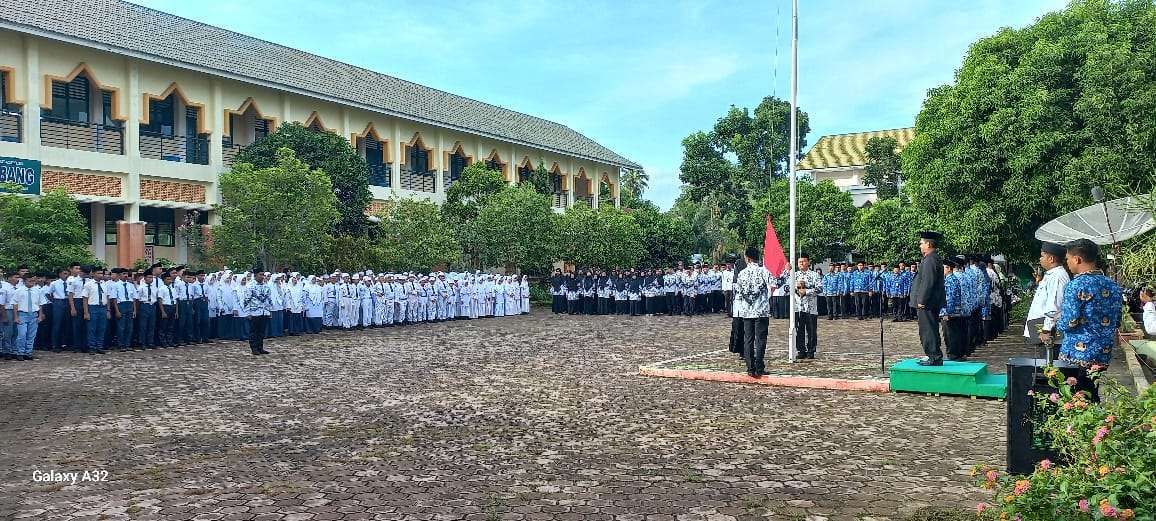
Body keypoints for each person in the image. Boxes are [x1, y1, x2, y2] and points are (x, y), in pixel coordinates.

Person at [1052, 239, 1122, 368]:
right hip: (1102, 353)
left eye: (1068, 259)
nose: (1067, 263)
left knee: (1073, 387)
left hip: (1076, 353)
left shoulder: (1076, 285)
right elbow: (1117, 320)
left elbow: (1070, 321)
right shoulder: (1113, 285)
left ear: (1077, 259)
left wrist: (1057, 320)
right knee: (1092, 387)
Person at [1025, 242, 1070, 360]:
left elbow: (1054, 306)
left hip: (1049, 333)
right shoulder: (1051, 274)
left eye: (1042, 256)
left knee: (1050, 368)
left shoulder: (1057, 276)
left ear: (1051, 258)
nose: (1040, 259)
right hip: (1040, 328)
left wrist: (1046, 329)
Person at [910, 231, 946, 366]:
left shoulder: (931, 259)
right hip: (929, 301)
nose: (920, 246)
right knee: (929, 328)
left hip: (927, 302)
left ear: (929, 244)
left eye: (921, 243)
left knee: (928, 329)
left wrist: (922, 300)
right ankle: (933, 355)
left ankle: (934, 356)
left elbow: (928, 281)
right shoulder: (930, 258)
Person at [734, 247, 771, 378]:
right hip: (761, 311)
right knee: (760, 340)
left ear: (747, 258)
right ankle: (759, 367)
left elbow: (738, 292)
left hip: (746, 311)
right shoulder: (763, 271)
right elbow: (775, 283)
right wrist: (785, 272)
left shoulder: (742, 273)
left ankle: (750, 368)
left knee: (748, 339)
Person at [791, 254, 822, 359]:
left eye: (803, 261)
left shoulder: (814, 275)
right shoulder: (794, 275)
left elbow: (820, 289)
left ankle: (811, 350)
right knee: (799, 330)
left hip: (810, 307)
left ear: (808, 262)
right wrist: (796, 287)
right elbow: (787, 288)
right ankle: (801, 350)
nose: (801, 264)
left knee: (811, 330)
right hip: (797, 306)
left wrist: (807, 291)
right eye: (799, 262)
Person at [12, 274, 47, 360]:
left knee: (31, 335)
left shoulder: (37, 290)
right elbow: (15, 304)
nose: (32, 282)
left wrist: (40, 315)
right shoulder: (19, 290)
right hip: (22, 314)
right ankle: (20, 352)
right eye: (29, 281)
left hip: (33, 314)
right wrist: (16, 317)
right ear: (24, 281)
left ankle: (28, 352)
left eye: (33, 281)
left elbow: (40, 304)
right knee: (22, 334)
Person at [940, 259, 967, 361]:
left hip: (950, 312)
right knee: (954, 333)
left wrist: (946, 312)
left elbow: (949, 298)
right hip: (955, 312)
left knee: (950, 335)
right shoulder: (952, 279)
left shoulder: (950, 280)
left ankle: (953, 355)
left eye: (943, 268)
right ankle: (956, 354)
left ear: (949, 269)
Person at [243, 271, 273, 355]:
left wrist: (269, 310)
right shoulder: (250, 286)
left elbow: (268, 299)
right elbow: (246, 300)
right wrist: (248, 312)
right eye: (260, 274)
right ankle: (254, 348)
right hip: (254, 312)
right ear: (255, 275)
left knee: (261, 331)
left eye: (263, 275)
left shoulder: (266, 286)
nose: (262, 276)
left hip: (264, 312)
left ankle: (260, 347)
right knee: (254, 331)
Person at [110, 268, 138, 351]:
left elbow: (134, 298)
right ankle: (121, 344)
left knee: (129, 327)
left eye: (127, 274)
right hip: (121, 305)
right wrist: (117, 311)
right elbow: (114, 299)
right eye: (124, 274)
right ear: (119, 275)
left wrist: (134, 310)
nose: (126, 275)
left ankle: (127, 344)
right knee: (121, 326)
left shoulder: (131, 285)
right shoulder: (115, 285)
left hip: (129, 305)